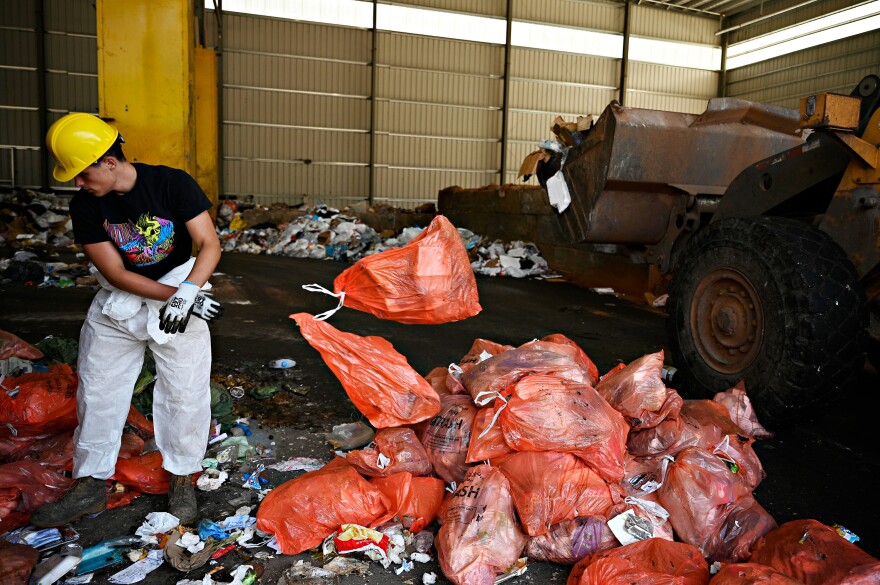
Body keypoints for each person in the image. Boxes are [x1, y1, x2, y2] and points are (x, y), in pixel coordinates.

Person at [31, 113, 224, 527]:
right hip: (119, 302)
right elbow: (117, 274)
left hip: (178, 287)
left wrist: (189, 291)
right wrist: (179, 298)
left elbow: (210, 243)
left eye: (82, 174)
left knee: (185, 394)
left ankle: (182, 479)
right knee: (98, 391)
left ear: (109, 162)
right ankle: (88, 486)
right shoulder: (85, 205)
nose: (78, 183)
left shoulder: (172, 184)